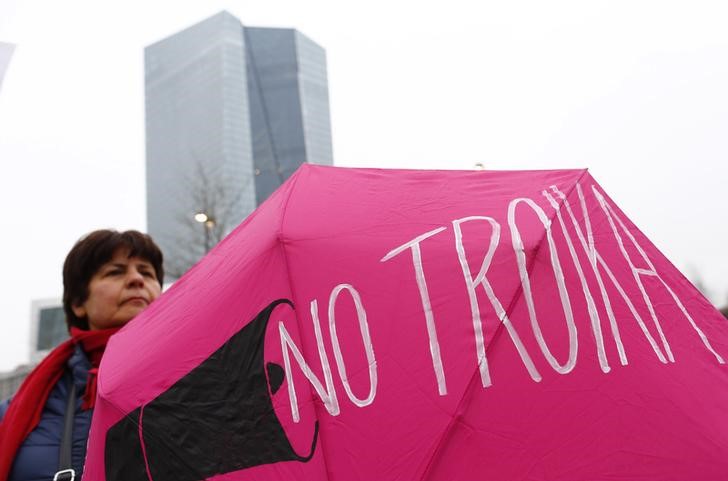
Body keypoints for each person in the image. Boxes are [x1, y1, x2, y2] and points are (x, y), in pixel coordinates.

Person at [0, 229, 163, 481]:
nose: (136, 279)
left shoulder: (205, 383)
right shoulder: (16, 411)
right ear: (78, 302)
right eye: (115, 271)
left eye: (147, 272)